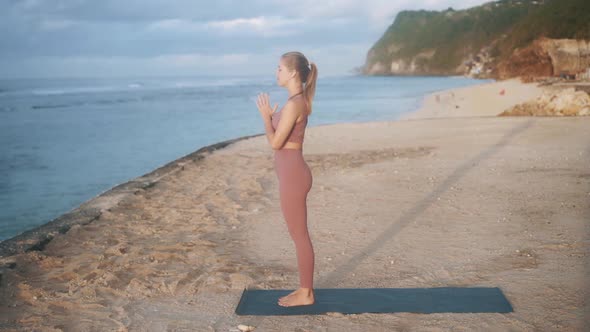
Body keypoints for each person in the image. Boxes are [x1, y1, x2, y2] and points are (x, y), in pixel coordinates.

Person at [255, 51, 318, 307]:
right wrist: (272, 118)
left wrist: (264, 119)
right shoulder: (295, 100)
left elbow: (275, 143)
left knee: (300, 236)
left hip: (293, 176)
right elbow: (281, 138)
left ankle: (307, 293)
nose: (276, 73)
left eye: (279, 68)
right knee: (298, 234)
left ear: (292, 72)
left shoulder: (294, 104)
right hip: (292, 174)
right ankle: (304, 290)